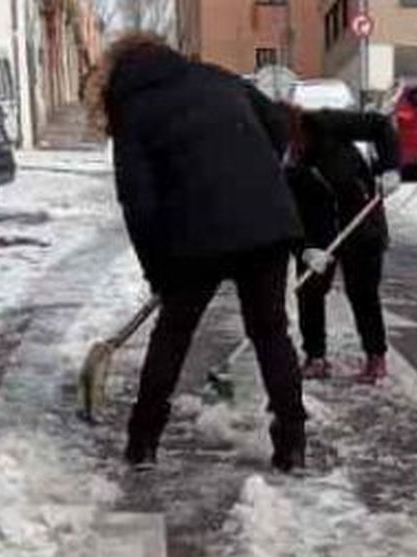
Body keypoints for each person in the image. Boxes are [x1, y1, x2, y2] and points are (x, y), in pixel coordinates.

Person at [97, 33, 307, 472]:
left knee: (173, 334)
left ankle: (143, 442)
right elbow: (279, 123)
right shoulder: (220, 78)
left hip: (195, 236)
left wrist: (157, 270)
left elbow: (137, 200)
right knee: (271, 333)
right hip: (265, 222)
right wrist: (252, 169)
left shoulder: (132, 107)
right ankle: (292, 443)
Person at [281, 104, 402, 384]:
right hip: (317, 230)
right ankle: (316, 357)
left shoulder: (325, 123)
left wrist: (390, 168)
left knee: (362, 292)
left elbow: (380, 126)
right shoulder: (276, 161)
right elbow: (284, 212)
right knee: (309, 289)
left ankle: (376, 356)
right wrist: (305, 249)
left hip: (360, 219)